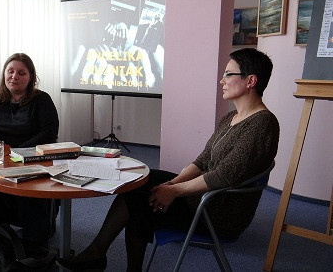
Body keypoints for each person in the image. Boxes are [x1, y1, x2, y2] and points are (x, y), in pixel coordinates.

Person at [56, 48, 280, 271]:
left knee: (139, 204)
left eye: (228, 74)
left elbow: (223, 176)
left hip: (217, 211)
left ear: (250, 81)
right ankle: (98, 254)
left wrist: (174, 191)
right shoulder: (232, 117)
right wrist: (172, 184)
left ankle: (101, 256)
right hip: (204, 196)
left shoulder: (262, 124)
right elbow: (202, 160)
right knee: (141, 181)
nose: (222, 80)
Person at [0, 53, 59, 270]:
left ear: (30, 77)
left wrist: (16, 153)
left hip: (31, 161)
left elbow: (49, 133)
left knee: (31, 193)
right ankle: (3, 238)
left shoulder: (41, 100)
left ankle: (34, 249)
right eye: (10, 71)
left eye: (21, 72)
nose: (14, 76)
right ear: (4, 75)